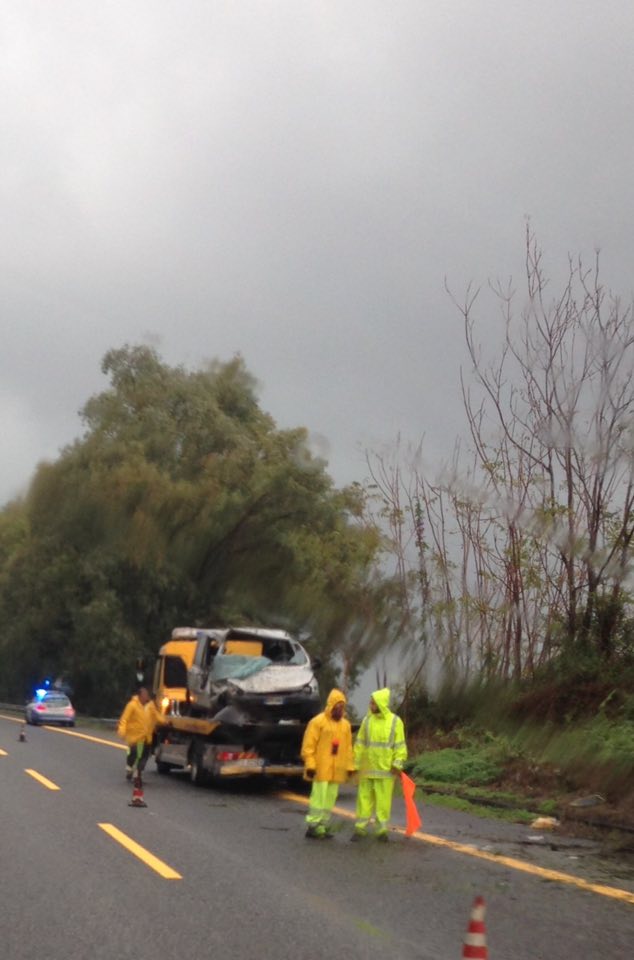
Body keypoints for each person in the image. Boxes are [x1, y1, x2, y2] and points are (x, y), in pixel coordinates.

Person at [351, 687, 407, 841]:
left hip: (385, 770)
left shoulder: (396, 722)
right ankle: (360, 829)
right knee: (364, 800)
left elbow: (400, 746)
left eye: (373, 703)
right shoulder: (367, 721)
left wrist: (397, 763)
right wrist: (355, 765)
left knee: (383, 803)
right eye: (370, 703)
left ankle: (381, 831)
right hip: (367, 769)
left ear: (381, 704)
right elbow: (360, 744)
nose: (370, 705)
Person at [301, 688, 355, 839]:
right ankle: (313, 825)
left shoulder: (345, 726)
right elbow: (308, 746)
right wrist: (311, 765)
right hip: (321, 769)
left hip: (336, 770)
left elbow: (348, 748)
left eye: (342, 707)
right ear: (331, 705)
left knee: (330, 798)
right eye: (337, 707)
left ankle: (323, 825)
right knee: (319, 798)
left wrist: (350, 766)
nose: (339, 710)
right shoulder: (318, 722)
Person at [117, 686, 154, 780]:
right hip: (133, 736)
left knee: (143, 755)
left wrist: (165, 721)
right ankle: (129, 769)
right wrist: (122, 730)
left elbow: (156, 716)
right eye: (145, 694)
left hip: (145, 737)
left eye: (147, 694)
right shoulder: (132, 705)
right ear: (140, 696)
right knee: (132, 753)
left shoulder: (150, 706)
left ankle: (138, 772)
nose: (147, 696)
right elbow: (124, 719)